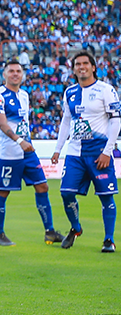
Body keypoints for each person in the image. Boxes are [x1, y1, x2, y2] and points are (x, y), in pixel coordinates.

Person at [50, 52, 119, 253]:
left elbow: (115, 120)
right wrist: (57, 149)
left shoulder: (106, 90)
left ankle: (108, 240)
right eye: (77, 64)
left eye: (85, 63)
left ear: (93, 67)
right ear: (73, 69)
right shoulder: (70, 92)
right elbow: (66, 121)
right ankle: (76, 227)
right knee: (66, 193)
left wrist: (108, 151)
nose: (81, 67)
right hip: (75, 154)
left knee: (106, 196)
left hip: (99, 153)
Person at [0, 61, 63, 246]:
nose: (15, 74)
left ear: (22, 75)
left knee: (43, 187)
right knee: (3, 192)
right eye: (11, 71)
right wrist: (18, 140)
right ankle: (0, 234)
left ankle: (49, 232)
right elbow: (2, 123)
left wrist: (25, 141)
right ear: (4, 74)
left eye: (18, 71)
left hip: (28, 151)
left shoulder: (24, 95)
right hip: (10, 153)